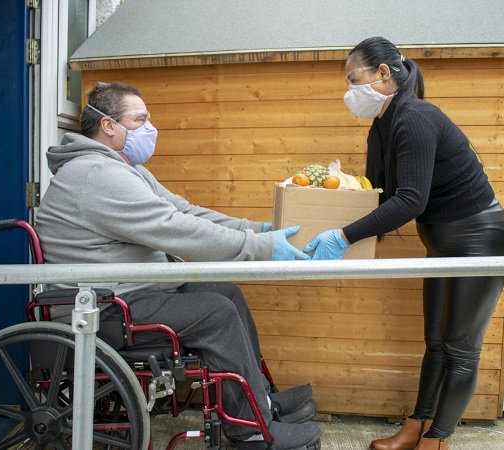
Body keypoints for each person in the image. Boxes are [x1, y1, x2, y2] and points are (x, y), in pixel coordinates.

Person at [35, 81, 322, 450]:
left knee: (225, 292)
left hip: (127, 292)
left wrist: (259, 229)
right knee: (214, 311)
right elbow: (175, 229)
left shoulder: (120, 167)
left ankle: (258, 401)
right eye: (140, 119)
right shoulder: (96, 175)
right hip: (102, 307)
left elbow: (184, 211)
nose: (150, 128)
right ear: (109, 125)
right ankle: (251, 431)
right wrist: (261, 247)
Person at [305, 37, 504, 450]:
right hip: (443, 243)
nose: (349, 90)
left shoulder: (415, 117)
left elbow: (410, 201)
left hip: (479, 240)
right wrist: (320, 212)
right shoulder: (384, 124)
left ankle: (437, 440)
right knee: (435, 341)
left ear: (384, 73)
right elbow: (380, 195)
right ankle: (418, 424)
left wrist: (344, 236)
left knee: (460, 348)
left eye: (353, 79)